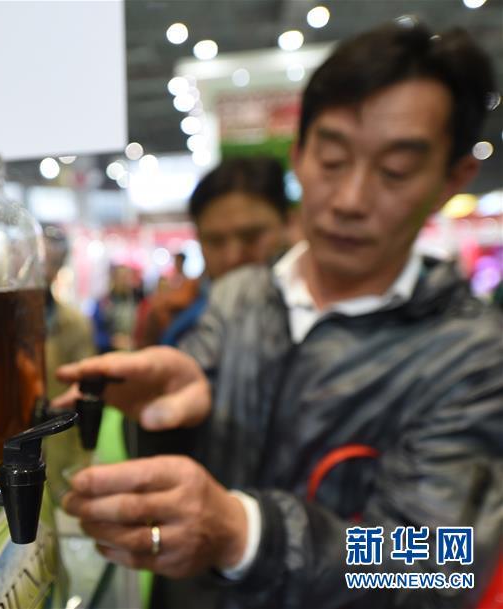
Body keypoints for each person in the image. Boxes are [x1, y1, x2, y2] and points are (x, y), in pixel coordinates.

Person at [55, 20, 502, 608]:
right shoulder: (242, 295)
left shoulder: (471, 354)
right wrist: (171, 404)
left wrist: (248, 534)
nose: (350, 200)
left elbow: (440, 567)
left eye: (395, 171)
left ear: (451, 179)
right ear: (299, 153)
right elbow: (193, 405)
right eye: (333, 159)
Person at [139, 157, 290, 348]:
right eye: (215, 241)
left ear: (288, 225)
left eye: (251, 237)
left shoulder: (309, 311)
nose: (232, 257)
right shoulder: (178, 317)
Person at [42, 224, 95, 399]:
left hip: (57, 413)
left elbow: (84, 383)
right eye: (40, 262)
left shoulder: (76, 323)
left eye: (53, 263)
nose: (45, 271)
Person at [92, 264, 139, 352]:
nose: (124, 282)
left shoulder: (137, 302)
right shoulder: (103, 303)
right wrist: (111, 341)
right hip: (108, 351)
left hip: (131, 352)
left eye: (127, 278)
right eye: (121, 277)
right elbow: (94, 333)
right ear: (114, 279)